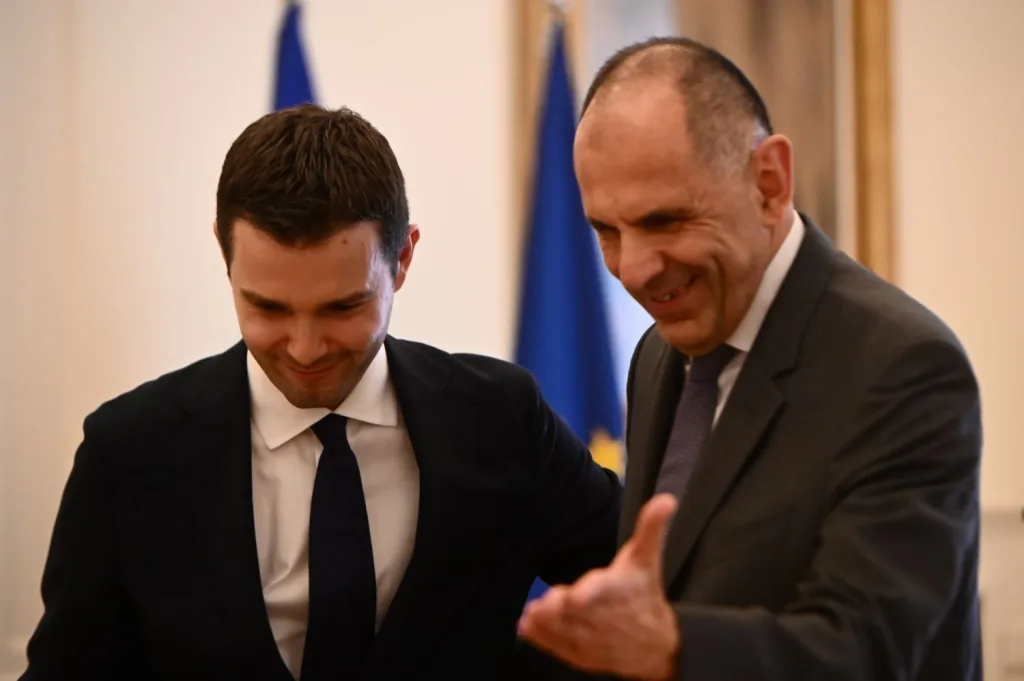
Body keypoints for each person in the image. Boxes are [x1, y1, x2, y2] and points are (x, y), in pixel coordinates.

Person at [19, 104, 621, 681]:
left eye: (343, 307)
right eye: (268, 308)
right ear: (225, 254)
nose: (305, 350)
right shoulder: (129, 452)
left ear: (403, 258)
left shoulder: (501, 420)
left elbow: (646, 589)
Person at [518, 37, 983, 681]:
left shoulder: (903, 367)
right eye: (607, 231)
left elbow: (867, 650)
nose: (634, 270)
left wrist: (671, 647)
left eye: (664, 221)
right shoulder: (658, 354)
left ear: (769, 185)